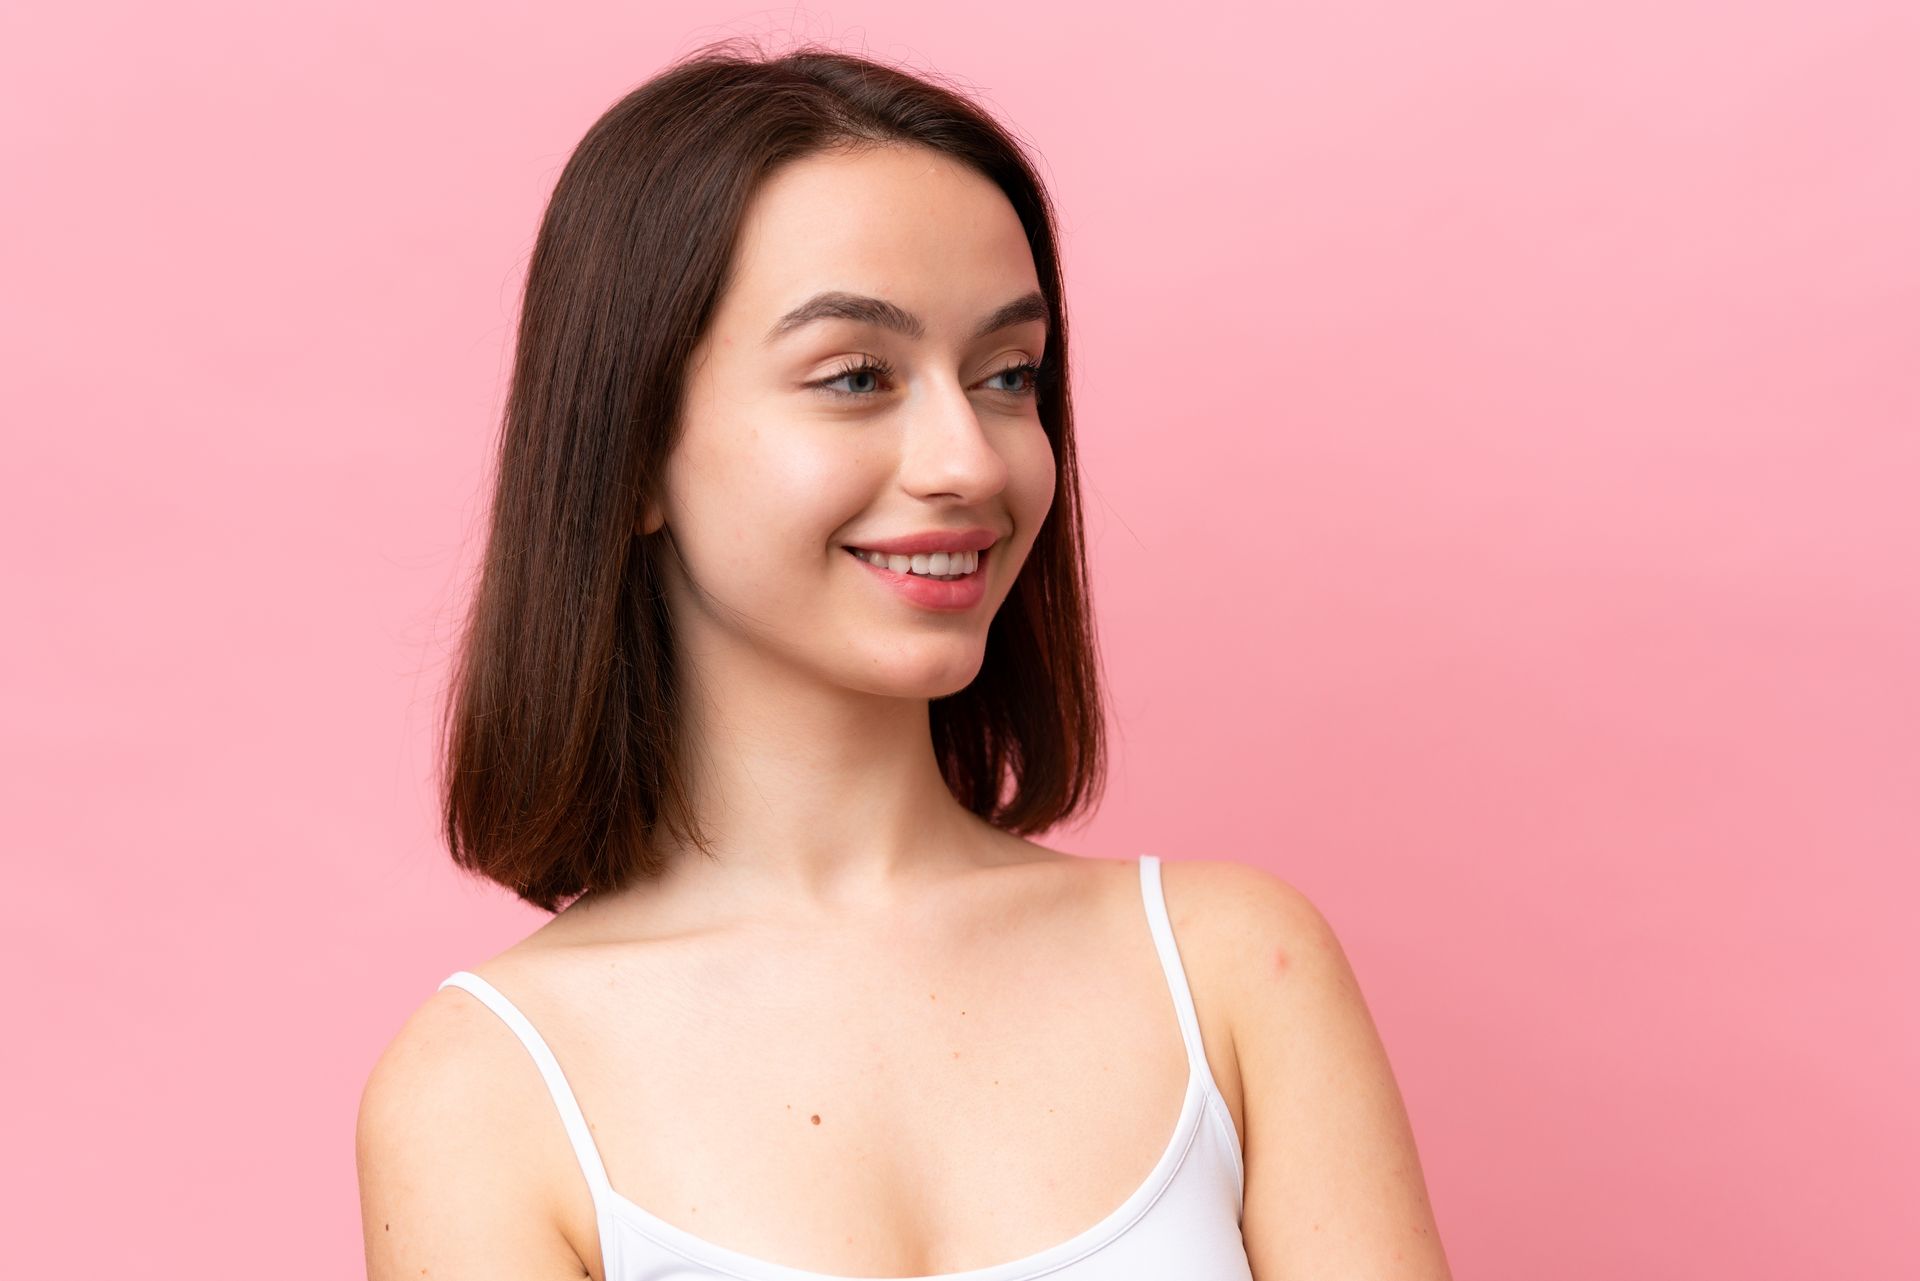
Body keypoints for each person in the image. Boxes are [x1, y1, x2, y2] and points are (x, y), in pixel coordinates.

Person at [355, 38, 1452, 1281]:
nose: (972, 464)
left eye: (1007, 375)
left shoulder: (1237, 974)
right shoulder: (481, 1093)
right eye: (858, 376)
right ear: (634, 455)